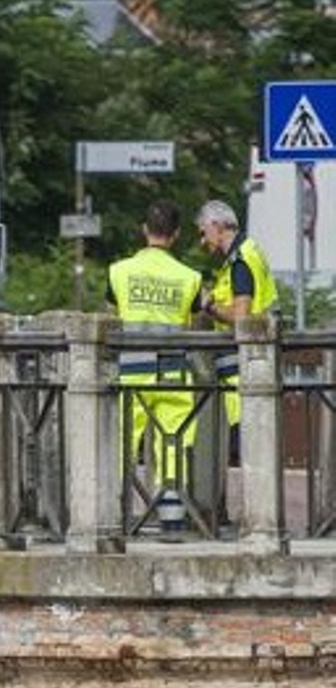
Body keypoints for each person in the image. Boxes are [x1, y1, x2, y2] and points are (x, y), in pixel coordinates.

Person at [106, 199, 203, 529]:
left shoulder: (119, 272)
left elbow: (111, 318)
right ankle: (171, 520)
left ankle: (113, 515)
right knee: (173, 441)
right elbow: (192, 322)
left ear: (144, 230)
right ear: (176, 234)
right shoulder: (190, 277)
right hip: (174, 373)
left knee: (121, 443)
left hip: (131, 371)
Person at [195, 198, 279, 434]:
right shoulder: (246, 252)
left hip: (243, 373)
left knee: (246, 442)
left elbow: (242, 317)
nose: (202, 241)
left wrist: (211, 307)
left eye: (204, 233)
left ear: (217, 227)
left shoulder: (240, 261)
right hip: (251, 369)